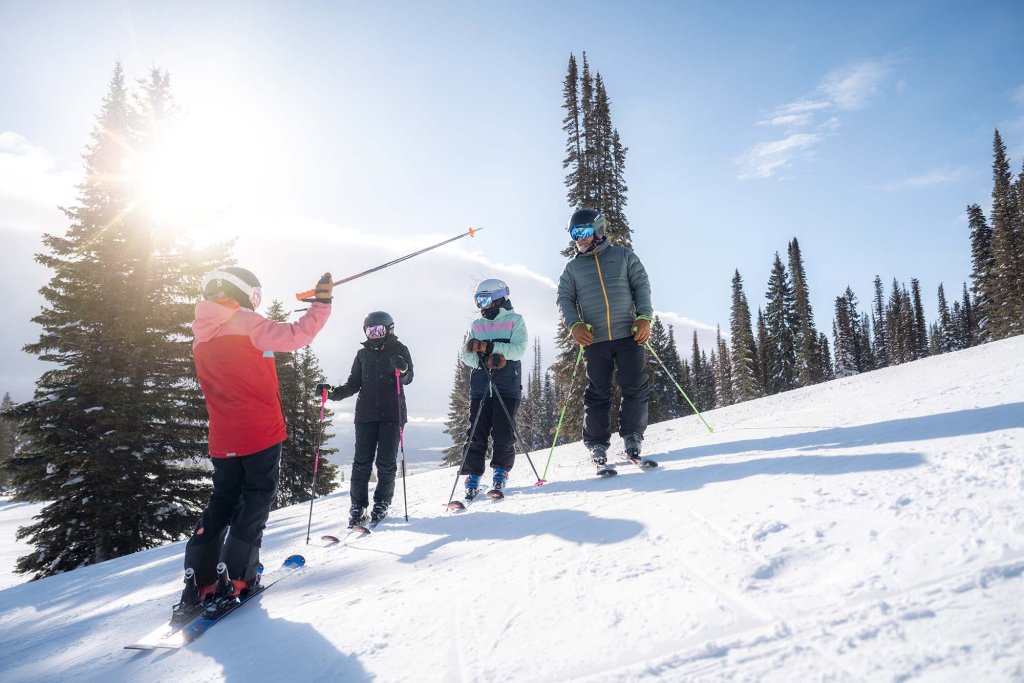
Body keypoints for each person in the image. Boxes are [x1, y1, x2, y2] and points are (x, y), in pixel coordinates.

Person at [174, 266, 333, 620]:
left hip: (223, 435)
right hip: (259, 431)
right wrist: (322, 305)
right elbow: (296, 336)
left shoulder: (200, 334)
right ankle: (239, 577)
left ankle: (200, 580)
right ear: (243, 292)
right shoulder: (247, 322)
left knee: (223, 501)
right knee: (256, 498)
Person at [556, 208, 653, 471]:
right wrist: (574, 324)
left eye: (584, 231)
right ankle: (597, 444)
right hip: (594, 339)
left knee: (634, 387)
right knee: (598, 393)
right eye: (575, 234)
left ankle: (633, 438)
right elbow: (564, 298)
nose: (579, 238)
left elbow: (641, 285)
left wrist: (644, 316)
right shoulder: (573, 268)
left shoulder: (623, 257)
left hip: (628, 334)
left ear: (598, 230)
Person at [317, 311, 413, 528]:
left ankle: (382, 502)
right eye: (370, 330)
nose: (374, 334)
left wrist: (403, 368)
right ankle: (358, 506)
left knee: (386, 463)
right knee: (361, 463)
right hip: (366, 415)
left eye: (378, 330)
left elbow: (408, 378)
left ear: (389, 330)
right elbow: (353, 384)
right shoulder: (362, 354)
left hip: (392, 414)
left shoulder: (400, 350)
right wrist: (330, 392)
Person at [458, 278, 528, 498]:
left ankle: (500, 471)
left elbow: (518, 349)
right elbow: (466, 354)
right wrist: (480, 360)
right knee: (475, 432)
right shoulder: (476, 325)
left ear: (498, 298)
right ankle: (473, 475)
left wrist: (493, 349)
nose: (481, 305)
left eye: (485, 299)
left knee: (503, 432)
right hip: (481, 387)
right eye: (478, 300)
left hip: (506, 385)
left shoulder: (515, 320)